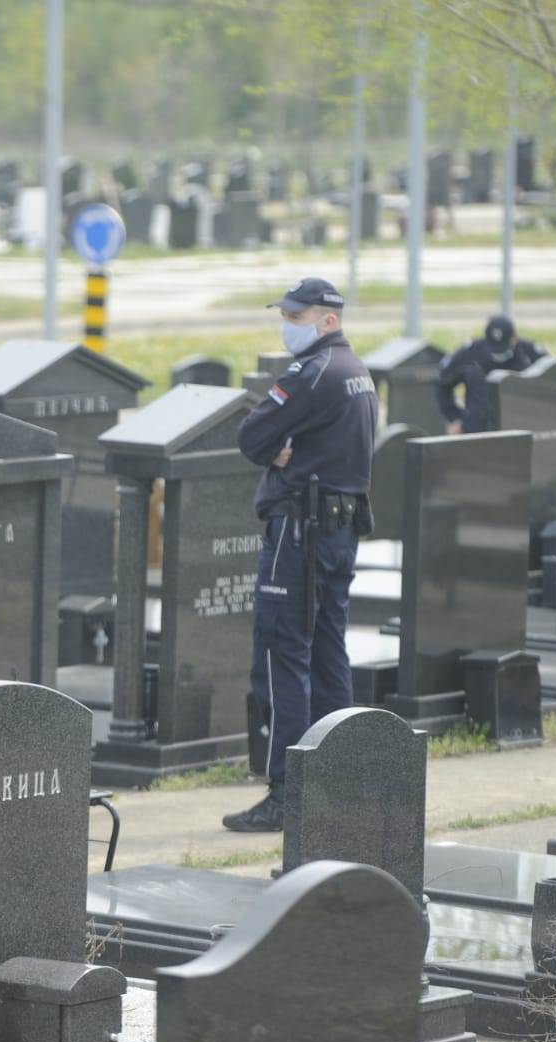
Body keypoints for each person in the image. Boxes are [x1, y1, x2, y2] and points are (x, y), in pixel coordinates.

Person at [223, 277, 378, 832]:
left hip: (298, 531)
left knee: (282, 653)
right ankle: (338, 781)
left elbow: (251, 437)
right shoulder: (356, 371)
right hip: (337, 530)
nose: (287, 324)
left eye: (296, 316)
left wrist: (277, 451)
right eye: (285, 315)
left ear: (327, 320)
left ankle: (286, 792)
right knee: (328, 653)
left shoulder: (313, 373)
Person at [435, 315, 548, 434]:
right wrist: (455, 417)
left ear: (514, 338)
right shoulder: (469, 353)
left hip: (521, 427)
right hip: (478, 430)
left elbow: (552, 382)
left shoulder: (531, 353)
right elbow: (443, 382)